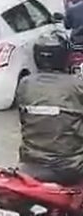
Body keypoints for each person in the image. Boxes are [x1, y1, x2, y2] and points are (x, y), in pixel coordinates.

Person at [16, 30, 83, 184]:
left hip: (30, 163)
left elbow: (24, 120)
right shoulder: (77, 85)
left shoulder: (25, 84)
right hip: (71, 166)